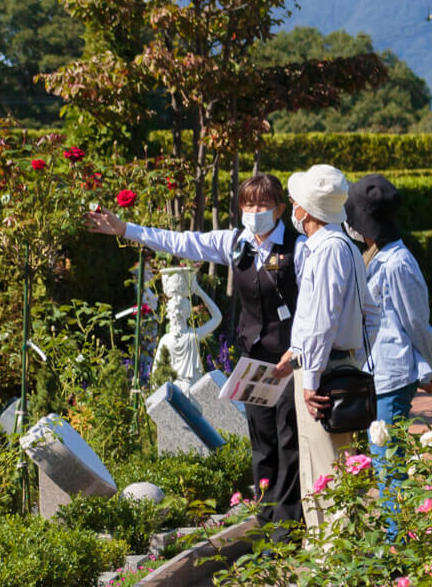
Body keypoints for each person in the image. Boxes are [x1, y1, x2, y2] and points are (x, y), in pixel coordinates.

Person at [84, 174, 305, 530]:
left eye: (263, 205)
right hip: (255, 362)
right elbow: (180, 242)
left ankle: (290, 528)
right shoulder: (235, 242)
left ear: (280, 208)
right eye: (248, 204)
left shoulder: (300, 246)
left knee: (289, 441)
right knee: (263, 445)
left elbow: (312, 302)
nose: (254, 211)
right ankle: (268, 525)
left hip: (290, 360)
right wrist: (125, 228)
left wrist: (300, 349)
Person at [270, 165, 380, 533]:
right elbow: (368, 313)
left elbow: (322, 320)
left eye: (295, 201)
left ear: (307, 210)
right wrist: (299, 350)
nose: (292, 205)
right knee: (337, 465)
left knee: (324, 471)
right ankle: (336, 553)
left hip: (326, 372)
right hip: (338, 365)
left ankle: (330, 557)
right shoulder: (343, 246)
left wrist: (310, 377)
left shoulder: (327, 250)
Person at [345, 174, 432, 478]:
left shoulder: (398, 263)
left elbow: (417, 323)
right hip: (378, 372)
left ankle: (396, 527)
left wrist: (428, 369)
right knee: (384, 461)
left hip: (394, 375)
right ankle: (394, 525)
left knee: (388, 464)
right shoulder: (375, 256)